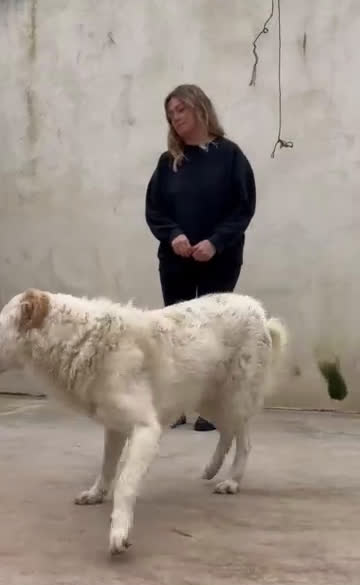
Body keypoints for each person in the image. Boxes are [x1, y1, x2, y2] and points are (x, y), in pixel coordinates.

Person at [145, 84, 256, 431]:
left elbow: (243, 208)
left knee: (211, 335)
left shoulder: (230, 156)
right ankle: (175, 406)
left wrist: (216, 242)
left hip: (219, 259)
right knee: (175, 334)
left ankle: (210, 409)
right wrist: (174, 235)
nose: (175, 118)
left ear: (199, 108)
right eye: (170, 113)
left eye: (181, 109)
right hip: (176, 261)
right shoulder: (169, 163)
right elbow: (155, 209)